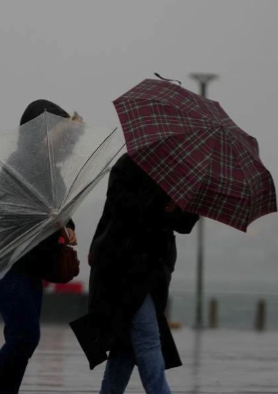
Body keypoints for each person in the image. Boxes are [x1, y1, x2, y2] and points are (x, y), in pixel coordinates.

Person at [0, 99, 80, 394]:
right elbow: (1, 210)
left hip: (31, 266)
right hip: (4, 263)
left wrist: (68, 228)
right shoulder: (18, 165)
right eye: (55, 131)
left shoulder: (52, 171)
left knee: (22, 339)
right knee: (25, 336)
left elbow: (61, 212)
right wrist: (47, 216)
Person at [79, 153, 199, 394]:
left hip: (155, 270)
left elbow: (184, 224)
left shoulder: (182, 173)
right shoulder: (129, 164)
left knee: (125, 348)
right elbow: (125, 210)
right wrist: (164, 202)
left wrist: (180, 204)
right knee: (147, 340)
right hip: (122, 267)